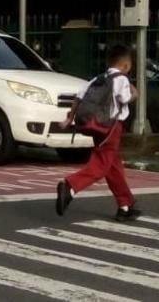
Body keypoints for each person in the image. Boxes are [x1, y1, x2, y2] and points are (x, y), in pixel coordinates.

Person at [55, 44, 141, 222]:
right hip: (111, 127)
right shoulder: (122, 79)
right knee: (101, 164)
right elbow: (124, 99)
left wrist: (70, 119)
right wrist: (134, 94)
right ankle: (70, 186)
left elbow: (79, 96)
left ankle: (125, 205)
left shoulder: (98, 78)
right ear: (125, 65)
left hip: (97, 127)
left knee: (113, 166)